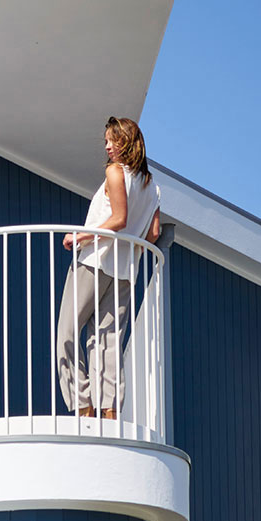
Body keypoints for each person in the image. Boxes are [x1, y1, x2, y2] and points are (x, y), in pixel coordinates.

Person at [56, 116, 162, 420]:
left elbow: (118, 219)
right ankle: (110, 409)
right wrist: (130, 249)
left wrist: (79, 237)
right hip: (125, 271)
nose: (107, 147)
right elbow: (153, 234)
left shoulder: (116, 172)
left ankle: (82, 404)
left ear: (125, 141)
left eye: (111, 141)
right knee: (108, 340)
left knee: (66, 331)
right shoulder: (152, 186)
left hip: (95, 261)